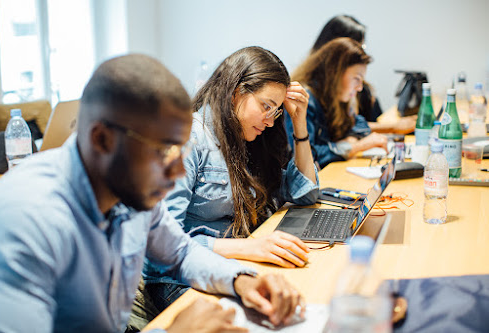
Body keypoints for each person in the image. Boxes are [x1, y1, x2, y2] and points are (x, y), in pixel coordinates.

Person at [0, 54, 304, 333]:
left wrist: (243, 280)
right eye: (163, 151)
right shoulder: (27, 219)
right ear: (103, 140)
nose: (178, 172)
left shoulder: (130, 186)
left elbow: (180, 253)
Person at [133, 46, 320, 327]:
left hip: (231, 266)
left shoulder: (252, 139)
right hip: (177, 278)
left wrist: (299, 124)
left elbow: (307, 193)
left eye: (276, 111)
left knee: (298, 302)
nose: (270, 121)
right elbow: (167, 248)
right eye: (266, 106)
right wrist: (249, 248)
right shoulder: (189, 139)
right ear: (236, 91)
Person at [285, 37, 389, 169]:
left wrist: (348, 141)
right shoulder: (304, 101)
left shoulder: (336, 97)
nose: (360, 87)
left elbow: (360, 126)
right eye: (357, 78)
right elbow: (308, 156)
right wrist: (354, 147)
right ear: (335, 73)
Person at [311, 15, 417, 134]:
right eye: (359, 46)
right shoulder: (312, 94)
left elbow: (352, 123)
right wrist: (392, 127)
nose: (361, 52)